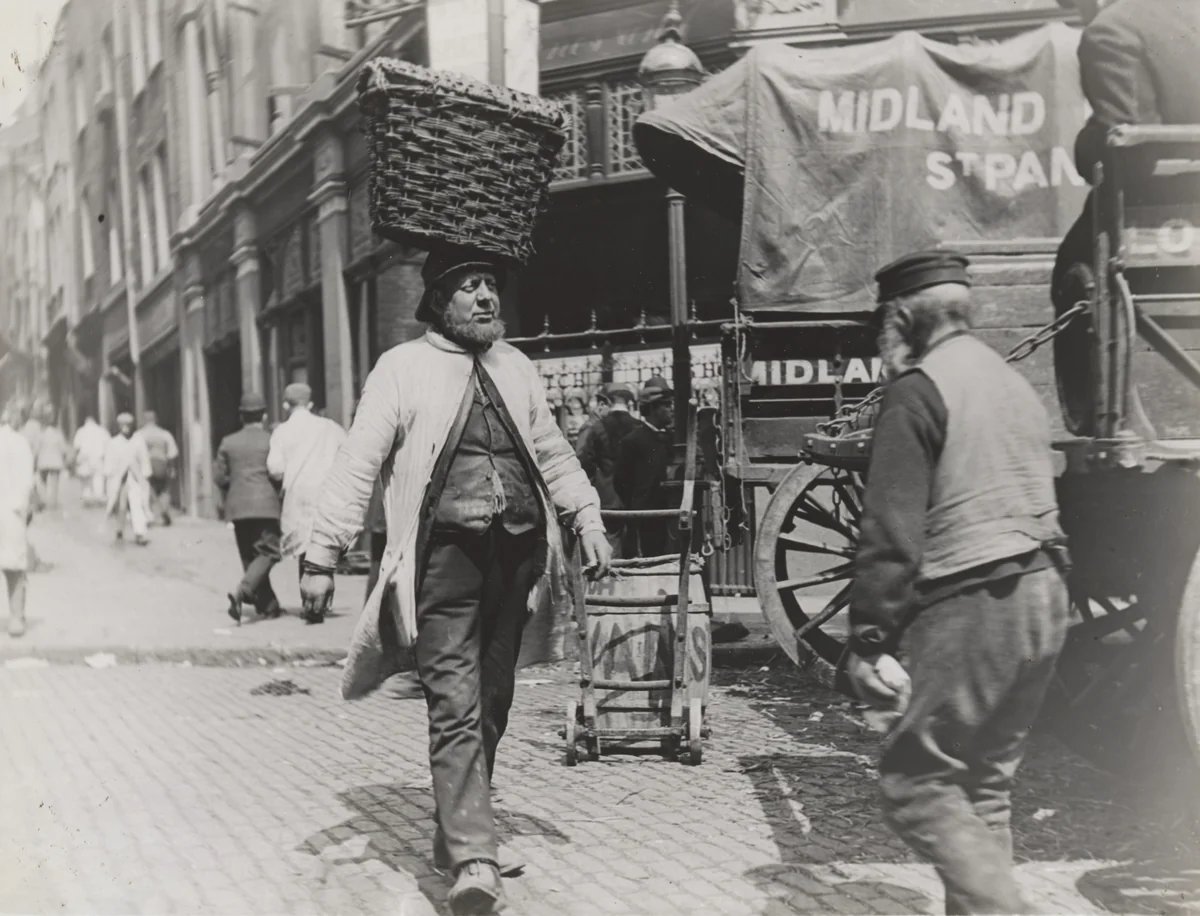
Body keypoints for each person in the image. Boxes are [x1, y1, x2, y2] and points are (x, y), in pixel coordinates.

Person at [300, 247, 611, 916]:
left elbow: (553, 451)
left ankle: (460, 831)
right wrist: (322, 554)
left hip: (517, 560)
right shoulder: (402, 368)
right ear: (439, 302)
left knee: (493, 700)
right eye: (468, 287)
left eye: (490, 285)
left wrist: (587, 517)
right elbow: (360, 462)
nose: (484, 297)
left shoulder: (518, 367)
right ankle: (473, 854)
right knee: (455, 703)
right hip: (441, 562)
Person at [845, 251, 1071, 915]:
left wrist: (869, 638)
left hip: (976, 596)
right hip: (1045, 590)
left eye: (883, 325)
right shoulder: (1010, 382)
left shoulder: (918, 388)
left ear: (901, 318)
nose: (882, 339)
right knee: (983, 787)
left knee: (914, 784)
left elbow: (891, 530)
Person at [1051, 0, 1200, 433]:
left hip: (1160, 215)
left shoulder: (1110, 31)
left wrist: (1084, 144)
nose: (1078, 12)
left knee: (1071, 261)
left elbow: (1128, 146)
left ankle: (1096, 418)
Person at [267, 382, 347, 622]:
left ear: (285, 405)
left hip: (298, 495)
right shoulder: (330, 427)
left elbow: (275, 469)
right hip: (327, 492)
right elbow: (347, 453)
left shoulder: (282, 431)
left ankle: (309, 603)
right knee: (324, 544)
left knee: (304, 548)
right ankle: (324, 601)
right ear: (311, 404)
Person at [215, 392, 284, 624]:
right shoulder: (272, 439)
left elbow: (220, 477)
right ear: (264, 415)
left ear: (241, 416)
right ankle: (244, 590)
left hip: (238, 506)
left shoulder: (228, 441)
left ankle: (269, 606)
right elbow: (279, 472)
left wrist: (235, 486)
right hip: (266, 504)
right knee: (270, 552)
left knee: (249, 554)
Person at [613, 377, 675, 558]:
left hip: (668, 516)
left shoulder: (672, 439)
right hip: (643, 518)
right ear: (652, 409)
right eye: (666, 405)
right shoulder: (633, 441)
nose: (671, 410)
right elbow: (621, 482)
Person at [578, 382, 638, 555]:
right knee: (634, 547)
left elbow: (584, 462)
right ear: (629, 402)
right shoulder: (638, 427)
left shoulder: (597, 428)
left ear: (609, 402)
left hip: (607, 498)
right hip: (634, 498)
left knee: (610, 545)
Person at [0, 400, 36, 637]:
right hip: (11, 512)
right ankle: (16, 619)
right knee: (14, 567)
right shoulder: (20, 443)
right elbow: (26, 483)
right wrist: (25, 511)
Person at [103, 412, 152, 546]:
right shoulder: (114, 442)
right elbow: (109, 462)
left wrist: (145, 476)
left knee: (137, 504)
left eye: (128, 425)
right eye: (123, 425)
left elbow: (144, 459)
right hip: (119, 478)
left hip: (134, 478)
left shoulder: (138, 441)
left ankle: (140, 533)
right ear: (119, 426)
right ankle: (119, 529)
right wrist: (109, 475)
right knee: (120, 506)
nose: (126, 427)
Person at [138, 410, 179, 527]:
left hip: (145, 464)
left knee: (147, 489)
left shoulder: (139, 434)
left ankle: (149, 514)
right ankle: (164, 511)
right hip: (161, 463)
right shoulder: (164, 434)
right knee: (164, 490)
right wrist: (171, 467)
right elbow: (172, 453)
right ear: (155, 420)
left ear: (144, 420)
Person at [34, 407, 69, 510]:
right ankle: (53, 502)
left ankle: (44, 500)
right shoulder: (58, 434)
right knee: (54, 484)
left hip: (43, 463)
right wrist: (65, 460)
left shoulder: (41, 434)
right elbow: (64, 449)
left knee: (43, 482)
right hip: (56, 462)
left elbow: (36, 449)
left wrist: (35, 462)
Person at [73, 414, 111, 507]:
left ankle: (87, 498)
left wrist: (76, 459)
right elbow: (108, 445)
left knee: (86, 479)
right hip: (98, 457)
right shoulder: (102, 431)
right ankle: (98, 497)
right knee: (98, 477)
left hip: (84, 458)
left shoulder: (81, 431)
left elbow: (76, 446)